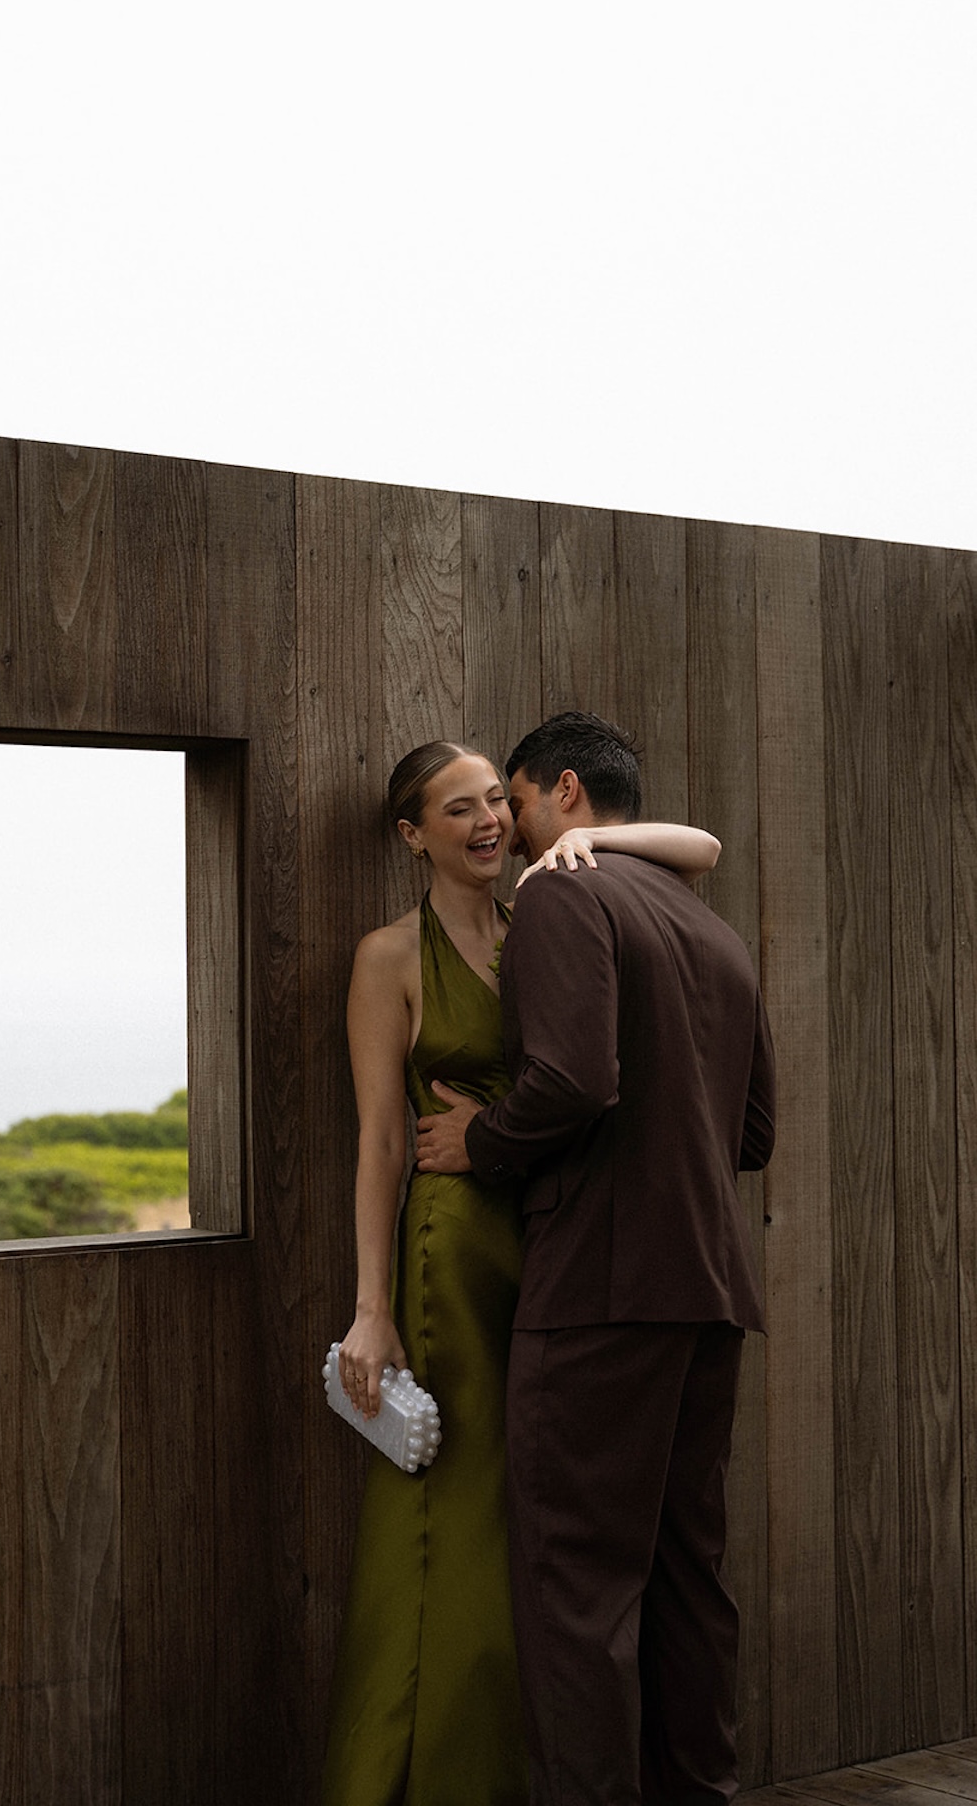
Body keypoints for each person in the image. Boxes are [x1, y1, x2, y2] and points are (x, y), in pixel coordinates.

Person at [322, 738, 724, 1806]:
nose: (489, 821)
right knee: (456, 1511)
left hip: (555, 1239)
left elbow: (700, 847)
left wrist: (591, 842)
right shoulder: (386, 957)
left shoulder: (550, 910)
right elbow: (379, 1140)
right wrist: (369, 1309)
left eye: (497, 799)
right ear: (412, 837)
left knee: (539, 1525)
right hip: (453, 1252)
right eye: (457, 810)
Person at [416, 712, 776, 1806]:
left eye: (515, 800)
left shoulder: (562, 894)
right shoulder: (710, 928)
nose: (510, 826)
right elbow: (754, 1134)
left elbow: (572, 1081)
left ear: (562, 791)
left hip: (598, 1294)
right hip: (708, 1294)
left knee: (573, 1589)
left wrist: (479, 1140)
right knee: (685, 1580)